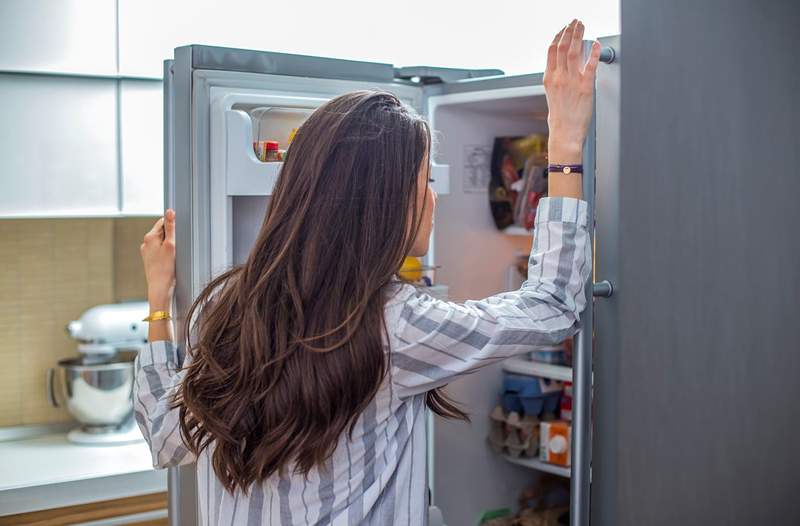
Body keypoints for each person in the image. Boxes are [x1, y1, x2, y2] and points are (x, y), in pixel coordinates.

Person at [136, 19, 599, 526]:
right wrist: (566, 150)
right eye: (424, 180)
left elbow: (165, 437)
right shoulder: (393, 325)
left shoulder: (236, 309)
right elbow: (552, 308)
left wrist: (159, 301)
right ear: (385, 204)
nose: (433, 196)